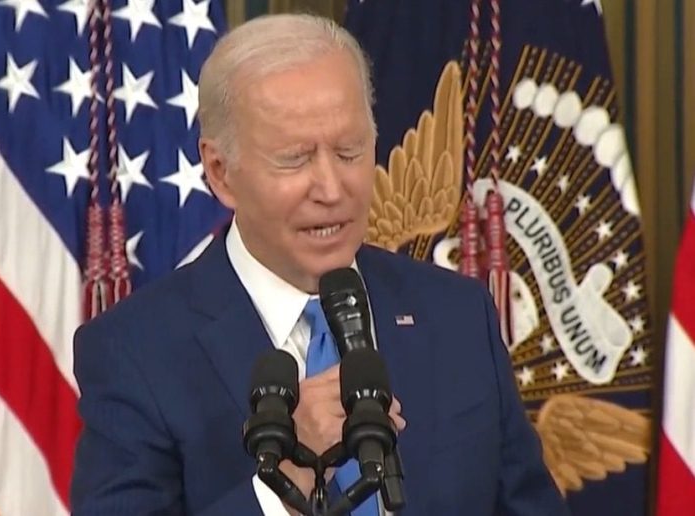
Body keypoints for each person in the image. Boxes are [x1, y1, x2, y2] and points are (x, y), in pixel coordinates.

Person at [70, 13, 569, 516]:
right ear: (220, 173)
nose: (332, 190)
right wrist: (287, 481)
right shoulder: (135, 352)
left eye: (349, 152)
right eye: (295, 159)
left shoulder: (457, 315)